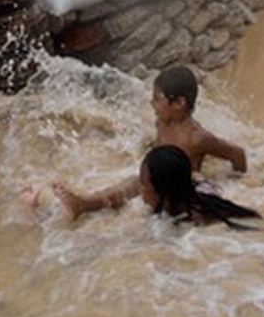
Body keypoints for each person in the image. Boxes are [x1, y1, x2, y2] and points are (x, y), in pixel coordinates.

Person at [52, 66, 249, 222]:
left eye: (157, 99)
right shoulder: (162, 121)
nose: (151, 104)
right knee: (131, 184)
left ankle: (83, 205)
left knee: (135, 185)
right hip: (157, 182)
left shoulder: (196, 138)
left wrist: (236, 182)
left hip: (180, 188)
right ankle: (83, 204)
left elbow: (237, 154)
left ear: (179, 103)